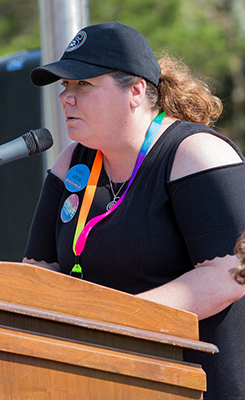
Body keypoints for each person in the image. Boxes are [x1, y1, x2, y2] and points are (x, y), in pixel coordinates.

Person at [23, 21, 245, 399]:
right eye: (65, 86)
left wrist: (114, 320)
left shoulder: (195, 153)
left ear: (136, 91)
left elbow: (229, 274)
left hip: (203, 385)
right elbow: (39, 271)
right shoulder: (72, 163)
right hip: (111, 381)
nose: (65, 97)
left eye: (83, 85)